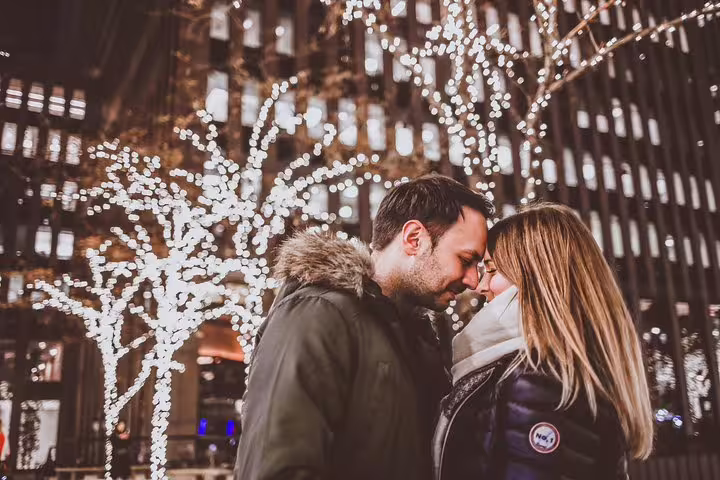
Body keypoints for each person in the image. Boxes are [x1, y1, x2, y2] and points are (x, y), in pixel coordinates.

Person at [234, 174, 494, 480]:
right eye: (465, 260)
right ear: (414, 239)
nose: (473, 281)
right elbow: (276, 468)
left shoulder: (415, 338)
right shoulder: (319, 314)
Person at [433, 203, 654, 480]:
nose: (481, 286)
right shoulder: (557, 369)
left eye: (491, 269)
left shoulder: (535, 378)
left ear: (536, 277)